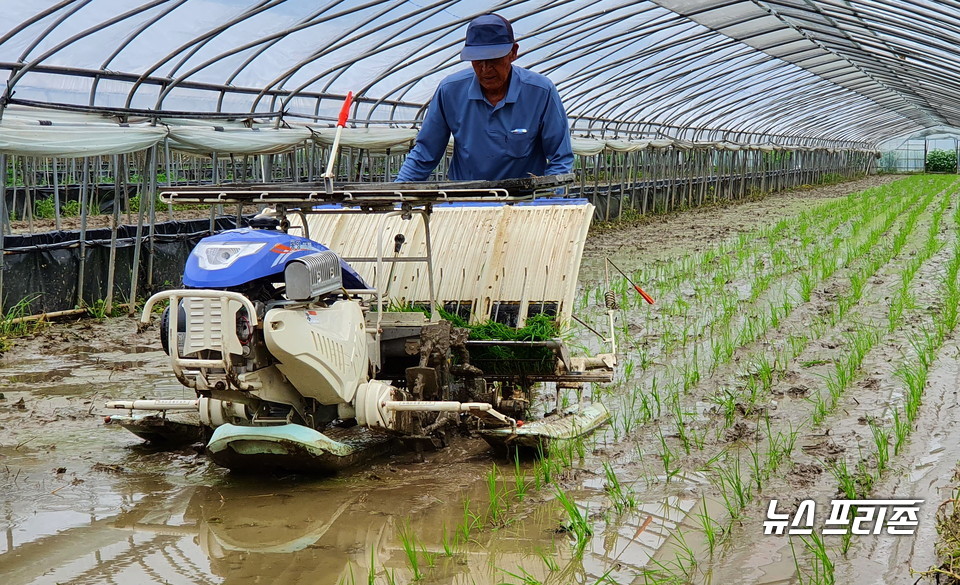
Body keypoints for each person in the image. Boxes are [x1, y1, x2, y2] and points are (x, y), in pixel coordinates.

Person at [395, 13, 574, 182]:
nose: (485, 69)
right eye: (478, 60)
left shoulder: (540, 92)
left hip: (524, 202)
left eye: (494, 59)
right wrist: (396, 196)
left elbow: (560, 158)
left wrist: (546, 202)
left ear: (513, 52)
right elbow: (425, 153)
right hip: (465, 202)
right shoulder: (450, 91)